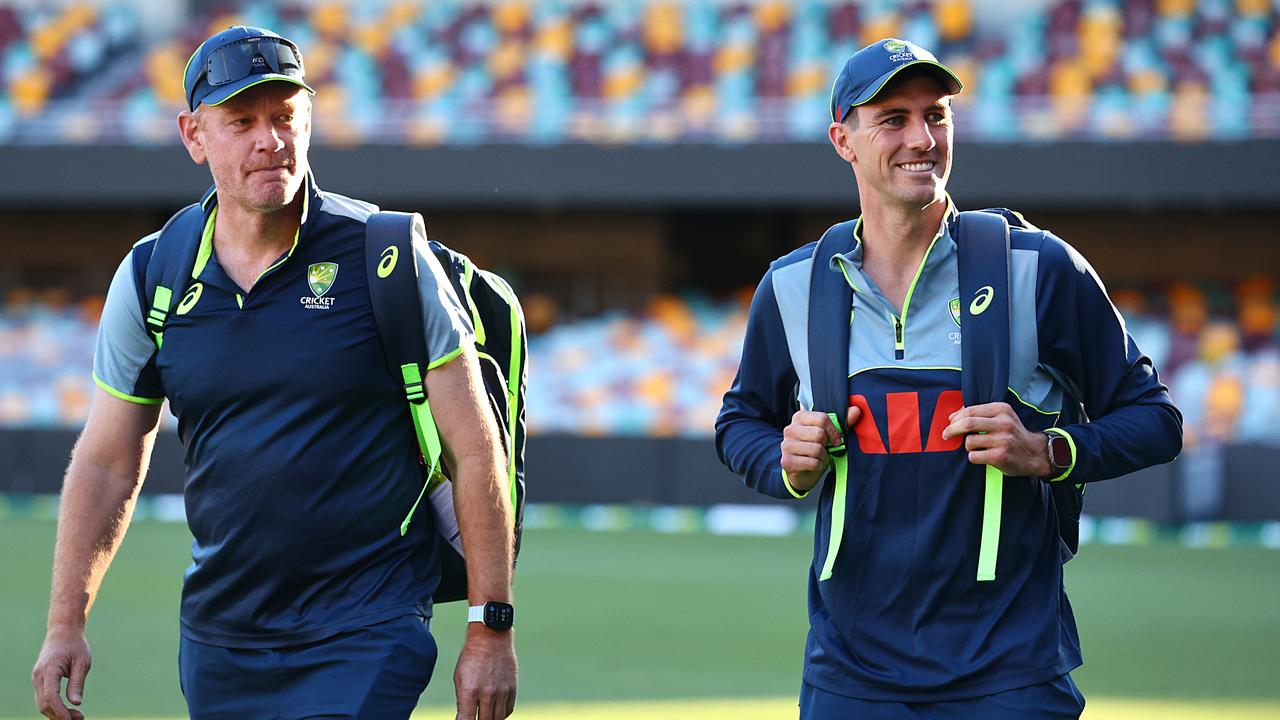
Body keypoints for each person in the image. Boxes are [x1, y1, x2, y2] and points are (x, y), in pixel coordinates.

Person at [31, 26, 517, 720]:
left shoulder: (388, 259)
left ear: (309, 122)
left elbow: (476, 450)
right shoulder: (153, 274)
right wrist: (64, 624)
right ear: (194, 136)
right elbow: (107, 462)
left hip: (367, 625)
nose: (270, 140)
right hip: (220, 640)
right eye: (242, 122)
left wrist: (489, 626)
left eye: (285, 117)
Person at [715, 38, 1182, 719]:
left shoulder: (1038, 267)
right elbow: (739, 423)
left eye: (936, 115)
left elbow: (1155, 420)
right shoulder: (794, 284)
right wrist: (783, 460)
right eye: (895, 119)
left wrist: (1049, 452)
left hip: (1010, 670)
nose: (922, 138)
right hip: (849, 673)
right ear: (843, 138)